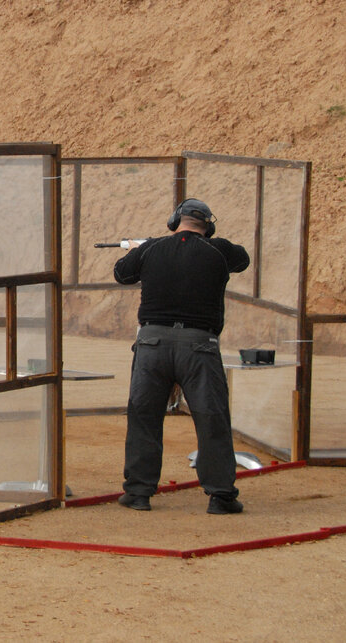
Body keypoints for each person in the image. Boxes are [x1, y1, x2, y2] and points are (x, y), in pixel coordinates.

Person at [112, 198, 250, 514]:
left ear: (176, 220)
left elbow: (122, 273)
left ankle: (138, 493)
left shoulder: (151, 249)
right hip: (199, 346)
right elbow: (242, 259)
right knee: (211, 418)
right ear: (208, 226)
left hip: (152, 345)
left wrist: (139, 248)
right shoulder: (220, 250)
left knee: (144, 416)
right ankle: (221, 496)